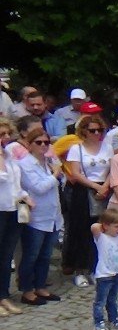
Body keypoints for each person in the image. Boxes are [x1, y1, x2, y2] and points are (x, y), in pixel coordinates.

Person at [64, 114, 112, 287]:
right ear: (84, 131)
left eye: (100, 130)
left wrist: (105, 186)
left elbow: (112, 168)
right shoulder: (77, 149)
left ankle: (95, 267)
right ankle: (80, 269)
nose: (97, 133)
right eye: (92, 130)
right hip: (83, 190)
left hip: (104, 189)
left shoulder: (107, 147)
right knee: (81, 230)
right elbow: (75, 173)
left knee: (102, 230)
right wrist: (95, 186)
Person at [17, 127, 64, 306]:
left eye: (46, 142)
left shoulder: (49, 161)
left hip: (53, 214)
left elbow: (60, 184)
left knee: (45, 255)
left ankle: (40, 286)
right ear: (30, 145)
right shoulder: (25, 164)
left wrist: (58, 173)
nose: (44, 146)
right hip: (36, 216)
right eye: (39, 142)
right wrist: (56, 174)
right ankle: (27, 289)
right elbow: (39, 187)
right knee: (31, 254)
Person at [0, 118, 29, 316]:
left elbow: (16, 184)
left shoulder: (9, 155)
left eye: (6, 134)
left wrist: (25, 200)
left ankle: (4, 295)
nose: (5, 138)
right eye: (1, 135)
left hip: (12, 209)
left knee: (6, 256)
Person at [90, 209, 118, 330]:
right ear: (106, 225)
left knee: (112, 299)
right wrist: (105, 223)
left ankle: (114, 318)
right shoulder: (101, 237)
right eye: (116, 226)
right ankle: (99, 322)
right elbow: (94, 226)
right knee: (101, 300)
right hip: (104, 274)